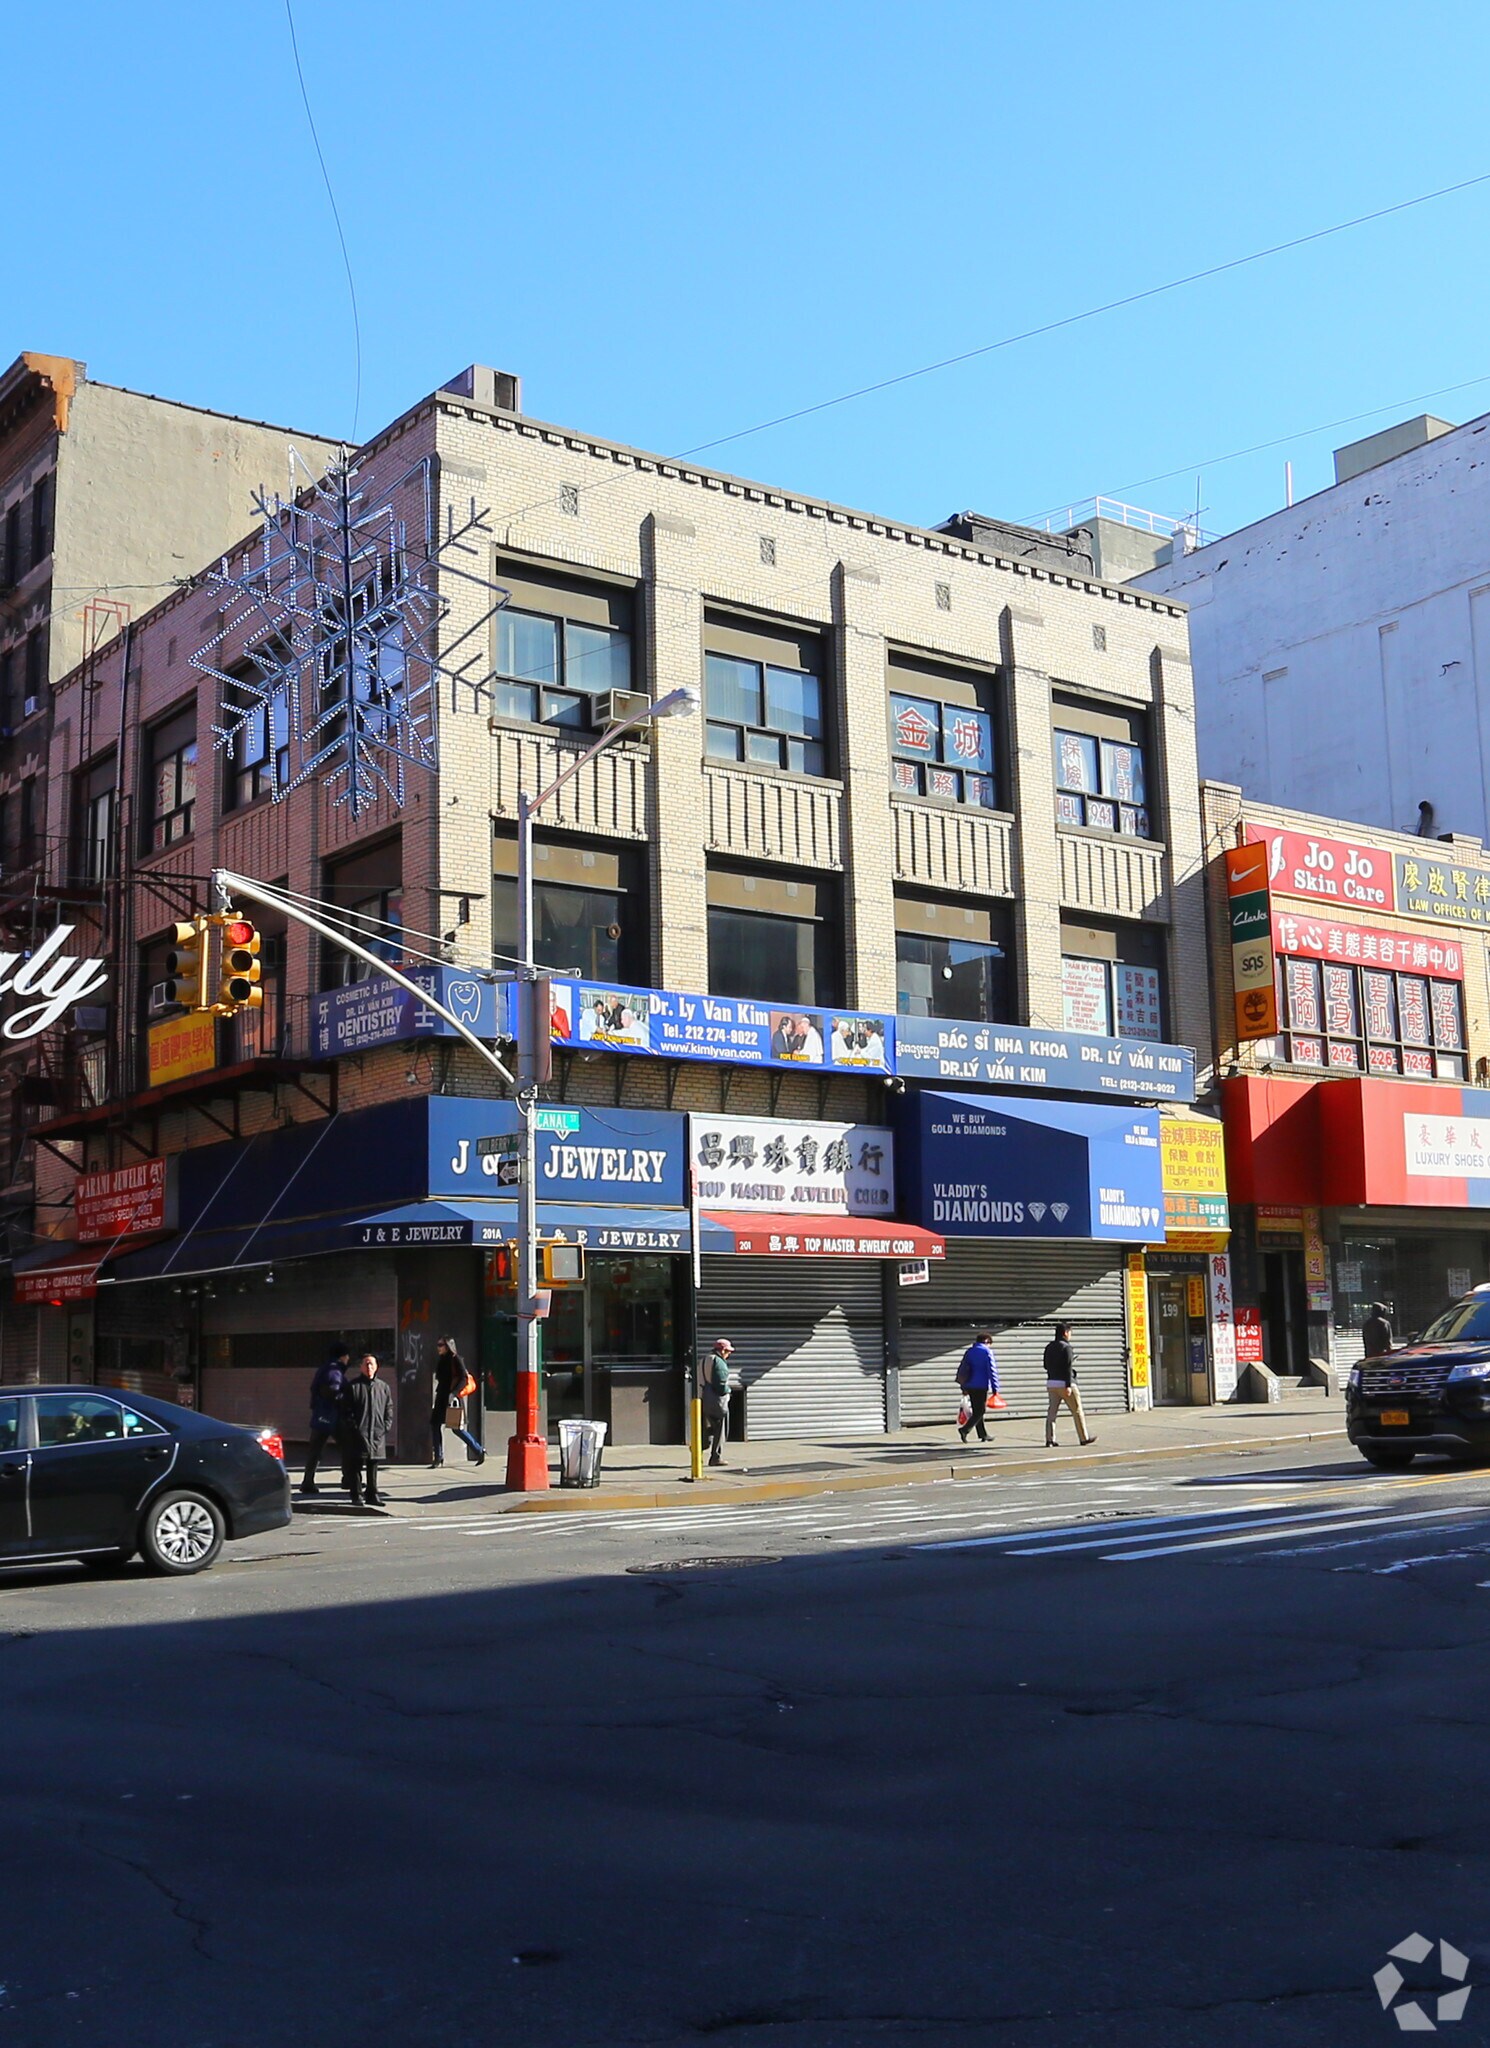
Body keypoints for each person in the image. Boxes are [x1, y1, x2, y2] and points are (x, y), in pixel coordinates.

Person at [339, 1352, 394, 1507]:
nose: (369, 1367)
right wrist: (354, 1429)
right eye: (366, 1364)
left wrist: (385, 1426)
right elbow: (346, 1411)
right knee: (355, 1465)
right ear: (361, 1367)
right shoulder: (353, 1387)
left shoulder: (383, 1387)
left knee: (373, 1465)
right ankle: (356, 1494)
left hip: (376, 1433)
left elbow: (388, 1408)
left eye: (372, 1364)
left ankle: (372, 1494)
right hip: (358, 1434)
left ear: (377, 1367)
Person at [299, 1343, 351, 1497]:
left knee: (315, 1450)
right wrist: (345, 1399)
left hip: (321, 1415)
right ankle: (348, 1479)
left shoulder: (326, 1368)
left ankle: (308, 1481)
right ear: (342, 1356)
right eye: (347, 1356)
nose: (348, 1359)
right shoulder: (334, 1371)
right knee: (348, 1446)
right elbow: (332, 1391)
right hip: (331, 1416)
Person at [431, 1337, 485, 1468]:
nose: (438, 1347)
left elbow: (464, 1379)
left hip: (452, 1399)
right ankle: (438, 1457)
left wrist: (453, 1394)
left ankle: (479, 1450)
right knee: (434, 1424)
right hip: (441, 1397)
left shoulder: (456, 1359)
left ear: (448, 1346)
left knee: (456, 1428)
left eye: (441, 1345)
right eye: (438, 1344)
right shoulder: (442, 1360)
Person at [1044, 1322, 1095, 1448]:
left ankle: (1050, 1440)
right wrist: (1067, 1385)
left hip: (1051, 1383)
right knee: (1077, 1411)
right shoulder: (1067, 1347)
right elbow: (1068, 1367)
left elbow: (1045, 1365)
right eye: (1070, 1332)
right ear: (1065, 1333)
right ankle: (1083, 1438)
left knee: (1052, 1413)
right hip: (1066, 1383)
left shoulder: (1049, 1347)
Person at [956, 1332, 999, 1443]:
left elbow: (963, 1369)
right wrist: (995, 1388)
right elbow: (992, 1371)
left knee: (977, 1410)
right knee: (980, 1411)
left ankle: (983, 1434)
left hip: (970, 1385)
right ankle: (965, 1429)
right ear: (986, 1342)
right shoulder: (987, 1352)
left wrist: (963, 1386)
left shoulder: (969, 1352)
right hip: (981, 1386)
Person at [700, 1337, 734, 1467]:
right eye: (728, 1351)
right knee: (720, 1427)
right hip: (716, 1400)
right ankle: (716, 1457)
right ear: (723, 1350)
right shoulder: (719, 1362)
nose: (729, 1354)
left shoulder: (704, 1359)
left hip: (704, 1398)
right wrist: (728, 1390)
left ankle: (700, 1446)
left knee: (709, 1426)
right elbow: (720, 1384)